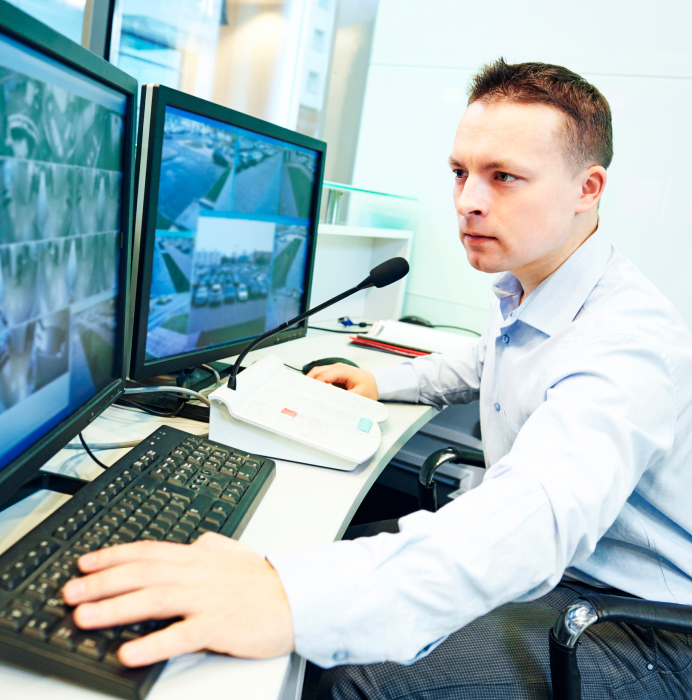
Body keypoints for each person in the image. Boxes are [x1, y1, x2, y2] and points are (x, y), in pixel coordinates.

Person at [63, 59, 692, 699]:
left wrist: (287, 598)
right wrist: (381, 382)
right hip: (565, 577)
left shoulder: (627, 343)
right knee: (328, 556)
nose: (468, 200)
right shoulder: (537, 285)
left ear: (588, 189)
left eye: (504, 177)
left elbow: (537, 521)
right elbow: (484, 361)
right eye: (460, 172)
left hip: (628, 625)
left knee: (342, 671)